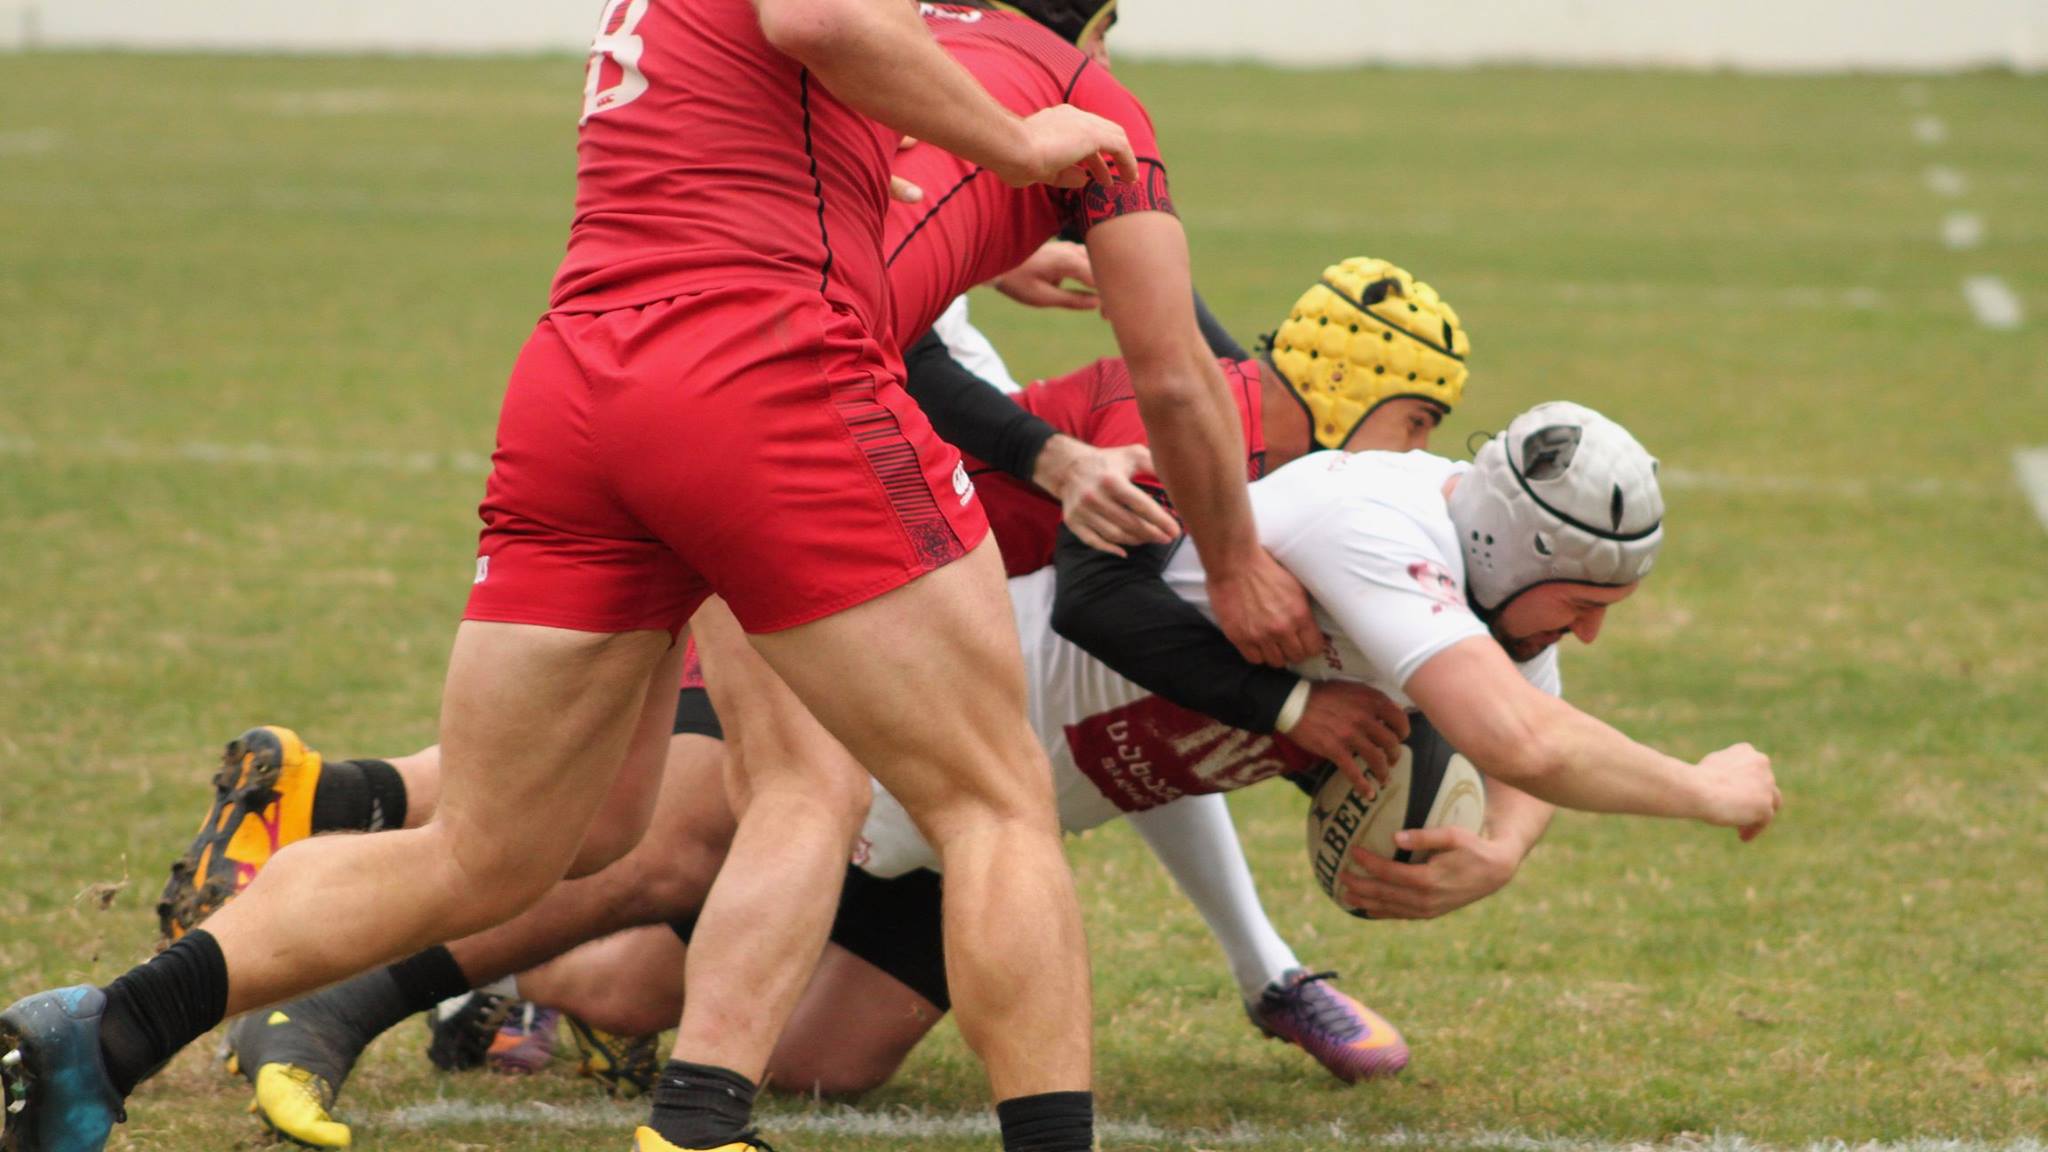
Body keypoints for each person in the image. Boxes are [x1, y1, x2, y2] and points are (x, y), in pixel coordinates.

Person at [0, 2, 1295, 1151]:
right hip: (766, 374)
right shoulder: (1075, 91)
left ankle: (104, 1031)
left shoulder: (906, 51)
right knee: (989, 802)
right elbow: (828, 26)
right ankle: (717, 1114)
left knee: (504, 849)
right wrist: (1032, 153)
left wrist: (994, 235)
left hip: (583, 381)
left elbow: (814, 121)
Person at [192, 254, 1473, 1146]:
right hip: (834, 591)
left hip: (956, 704)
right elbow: (1103, 612)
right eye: (1420, 428)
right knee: (659, 838)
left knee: (813, 1053)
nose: (1419, 470)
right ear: (1380, 394)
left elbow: (1142, 726)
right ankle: (349, 982)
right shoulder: (1208, 431)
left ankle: (468, 942)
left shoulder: (1314, 494)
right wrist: (1291, 749)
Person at [365, 398, 1788, 1104]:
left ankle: (513, 987)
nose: (1589, 636)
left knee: (827, 1068)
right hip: (901, 720)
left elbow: (1526, 722)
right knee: (621, 883)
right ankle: (363, 922)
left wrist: (1496, 853)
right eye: (1591, 604)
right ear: (1505, 547)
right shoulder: (1379, 531)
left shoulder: (1485, 576)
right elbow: (1516, 726)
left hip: (987, 837)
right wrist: (1703, 788)